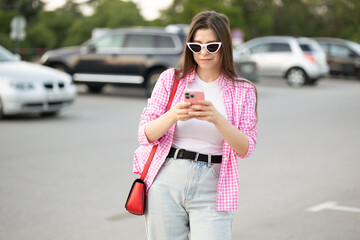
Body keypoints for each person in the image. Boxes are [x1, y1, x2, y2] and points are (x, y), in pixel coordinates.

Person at [133, 10, 258, 240]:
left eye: (212, 46)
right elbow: (145, 134)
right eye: (196, 45)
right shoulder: (171, 79)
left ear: (225, 46)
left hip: (214, 184)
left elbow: (246, 148)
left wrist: (217, 119)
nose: (203, 53)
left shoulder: (244, 90)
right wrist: (173, 115)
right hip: (167, 177)